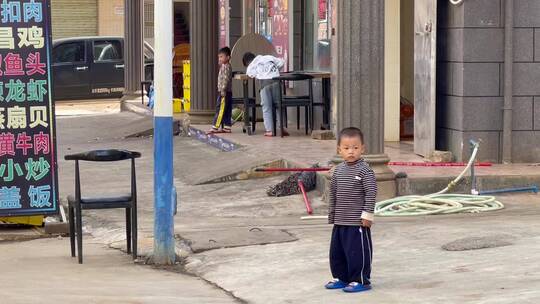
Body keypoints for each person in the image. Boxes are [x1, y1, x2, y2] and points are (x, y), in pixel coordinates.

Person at [325, 127, 377, 293]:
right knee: (337, 252)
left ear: (362, 148)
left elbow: (371, 192)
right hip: (340, 220)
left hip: (357, 222)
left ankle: (360, 279)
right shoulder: (338, 170)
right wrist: (332, 214)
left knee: (357, 253)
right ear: (339, 149)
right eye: (346, 148)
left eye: (355, 148)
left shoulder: (365, 170)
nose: (351, 152)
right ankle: (342, 277)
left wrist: (368, 215)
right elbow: (333, 193)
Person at [242, 52, 289, 137]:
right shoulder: (268, 57)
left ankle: (269, 130)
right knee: (279, 105)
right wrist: (274, 70)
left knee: (266, 107)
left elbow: (249, 73)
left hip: (264, 84)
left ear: (247, 63)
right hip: (276, 82)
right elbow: (281, 62)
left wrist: (259, 74)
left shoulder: (252, 65)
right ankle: (282, 128)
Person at [208, 47, 233, 134]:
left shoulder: (226, 67)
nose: (220, 59)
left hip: (224, 92)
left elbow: (225, 79)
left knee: (220, 109)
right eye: (219, 57)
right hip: (227, 92)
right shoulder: (225, 66)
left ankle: (215, 127)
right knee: (227, 110)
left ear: (228, 57)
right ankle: (227, 127)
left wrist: (222, 90)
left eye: (221, 57)